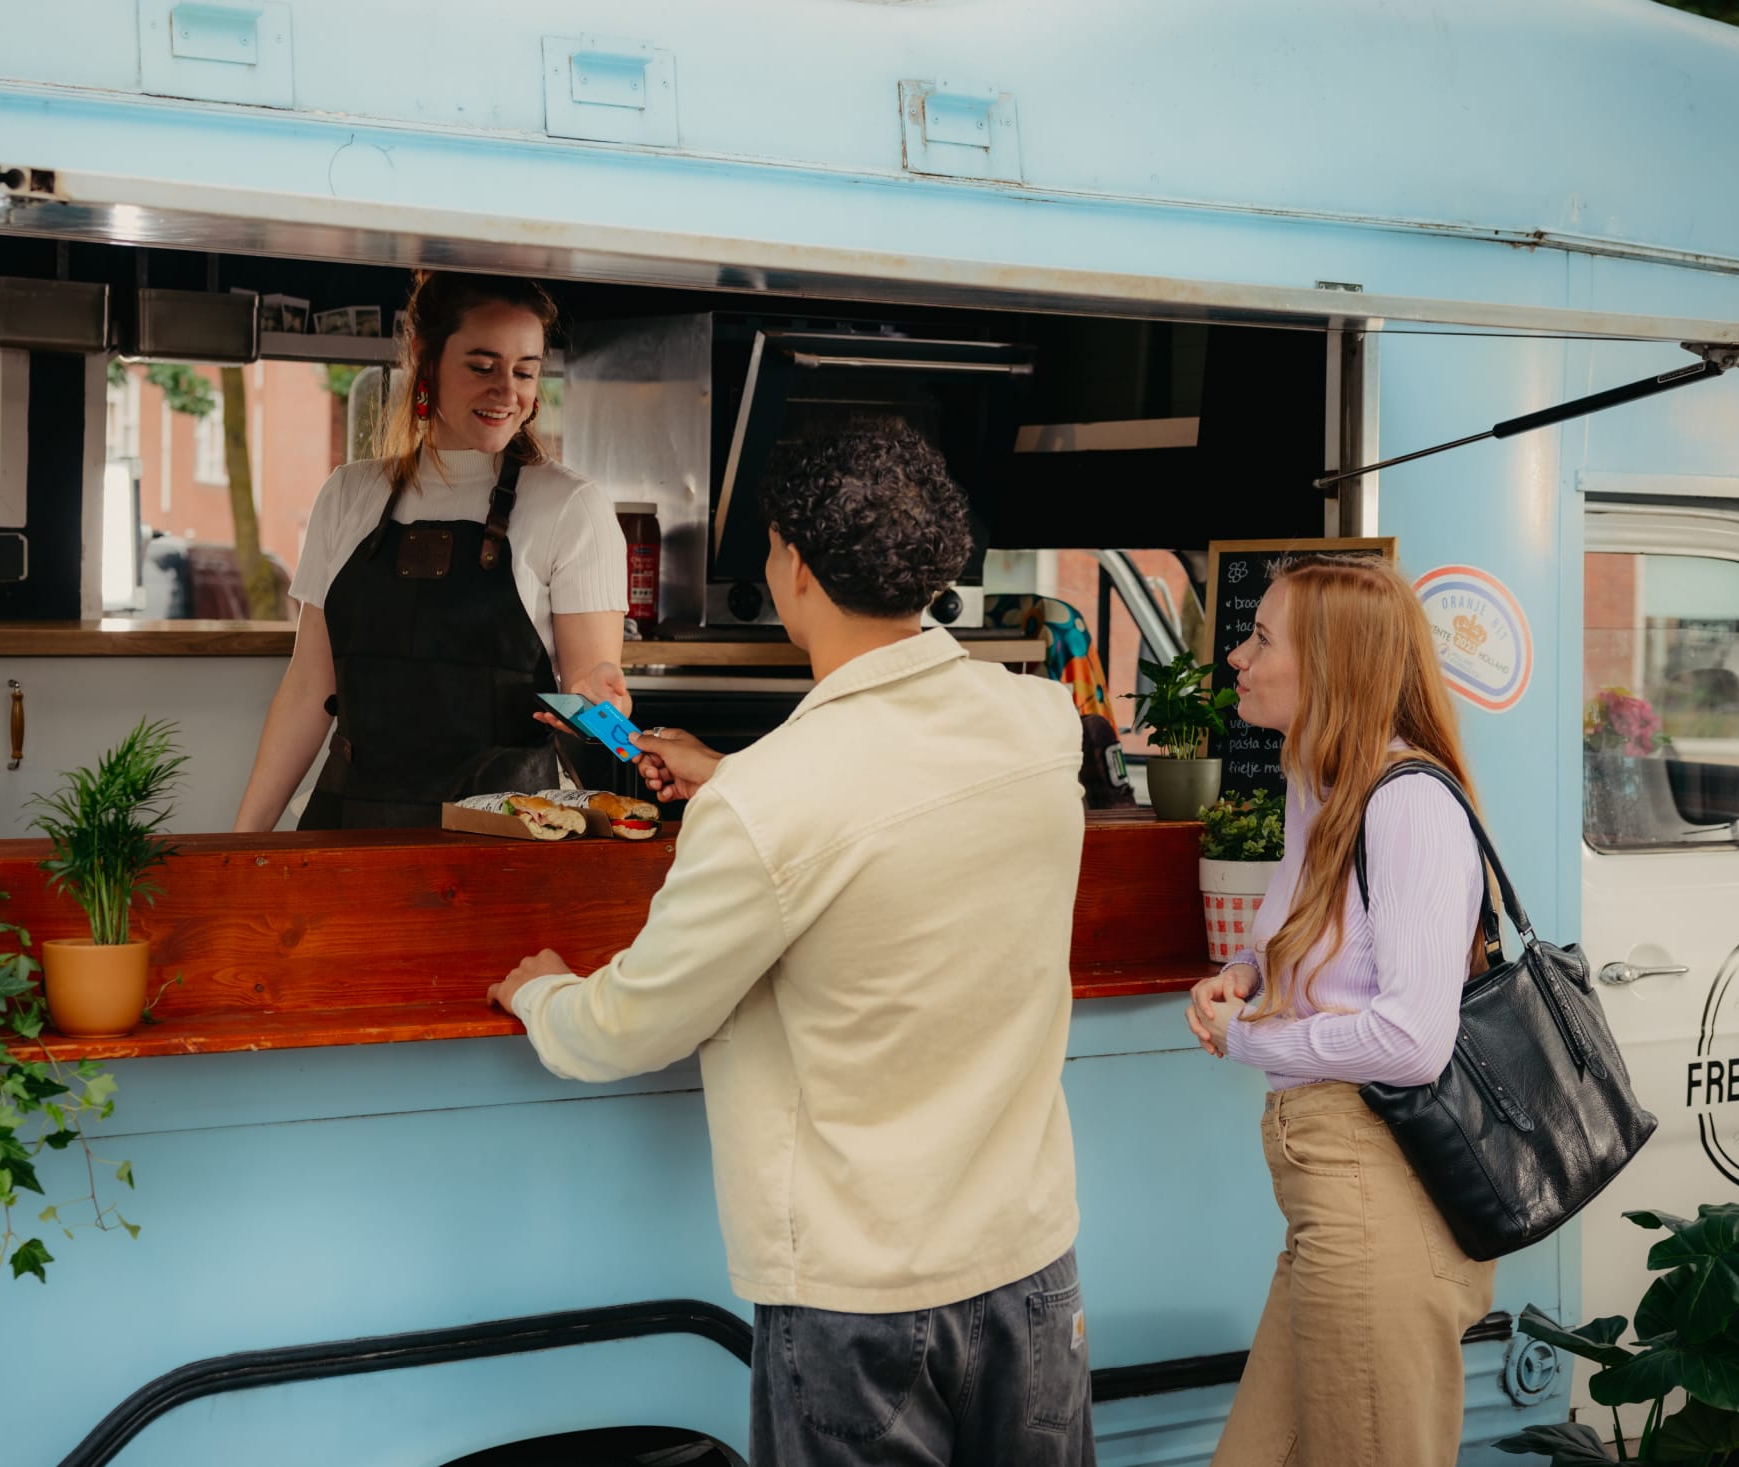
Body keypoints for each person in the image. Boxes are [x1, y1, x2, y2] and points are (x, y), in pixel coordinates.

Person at [487, 417, 1099, 1465]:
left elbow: (630, 1025)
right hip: (1031, 1265)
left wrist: (539, 994)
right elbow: (904, 799)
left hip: (857, 1299)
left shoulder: (778, 801)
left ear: (795, 567)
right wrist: (734, 779)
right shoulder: (1040, 726)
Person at [1187, 555, 1496, 1467]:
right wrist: (1242, 972)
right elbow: (1300, 932)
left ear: (1333, 664)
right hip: (1330, 1198)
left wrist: (1249, 1037)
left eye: (1262, 638)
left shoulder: (1409, 806)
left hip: (1377, 1191)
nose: (1238, 656)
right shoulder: (1322, 788)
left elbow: (1411, 1037)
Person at [233, 271, 629, 830]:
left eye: (525, 371)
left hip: (503, 840)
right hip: (350, 827)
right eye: (481, 366)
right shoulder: (349, 493)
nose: (507, 391)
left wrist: (602, 712)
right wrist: (242, 844)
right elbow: (307, 689)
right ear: (425, 357)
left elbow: (596, 706)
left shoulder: (573, 507)